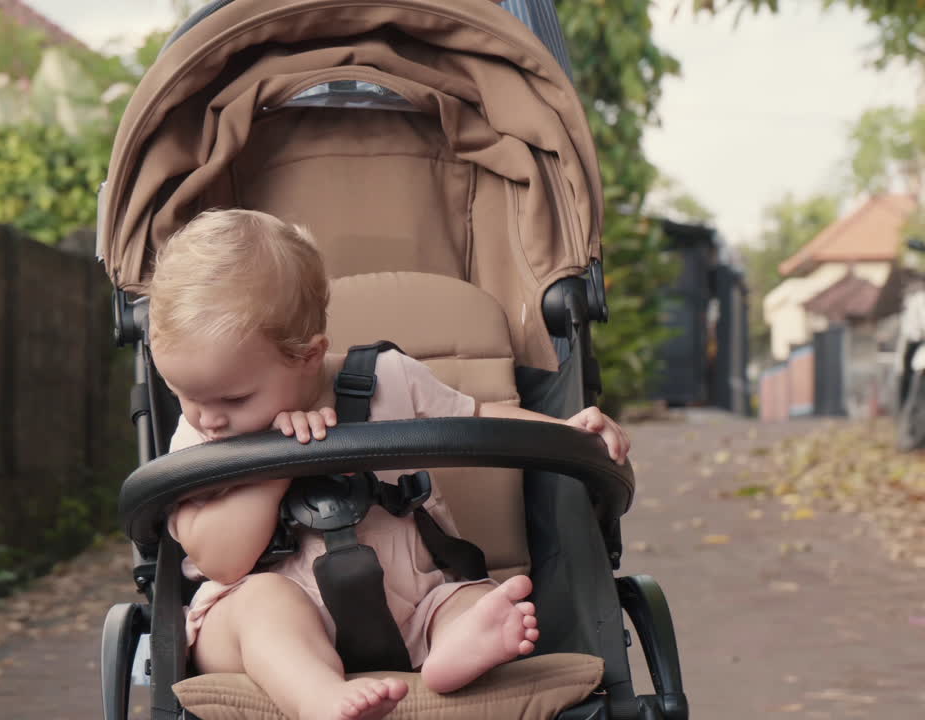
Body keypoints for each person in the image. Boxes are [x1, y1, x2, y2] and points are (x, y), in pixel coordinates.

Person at [146, 209, 630, 720]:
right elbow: (221, 560)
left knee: (469, 598)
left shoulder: (388, 380)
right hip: (259, 630)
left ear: (309, 356)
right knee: (260, 604)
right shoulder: (199, 434)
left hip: (410, 609)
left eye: (234, 398)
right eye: (183, 394)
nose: (208, 417)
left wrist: (571, 431)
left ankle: (450, 654)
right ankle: (319, 699)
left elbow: (481, 416)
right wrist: (273, 467)